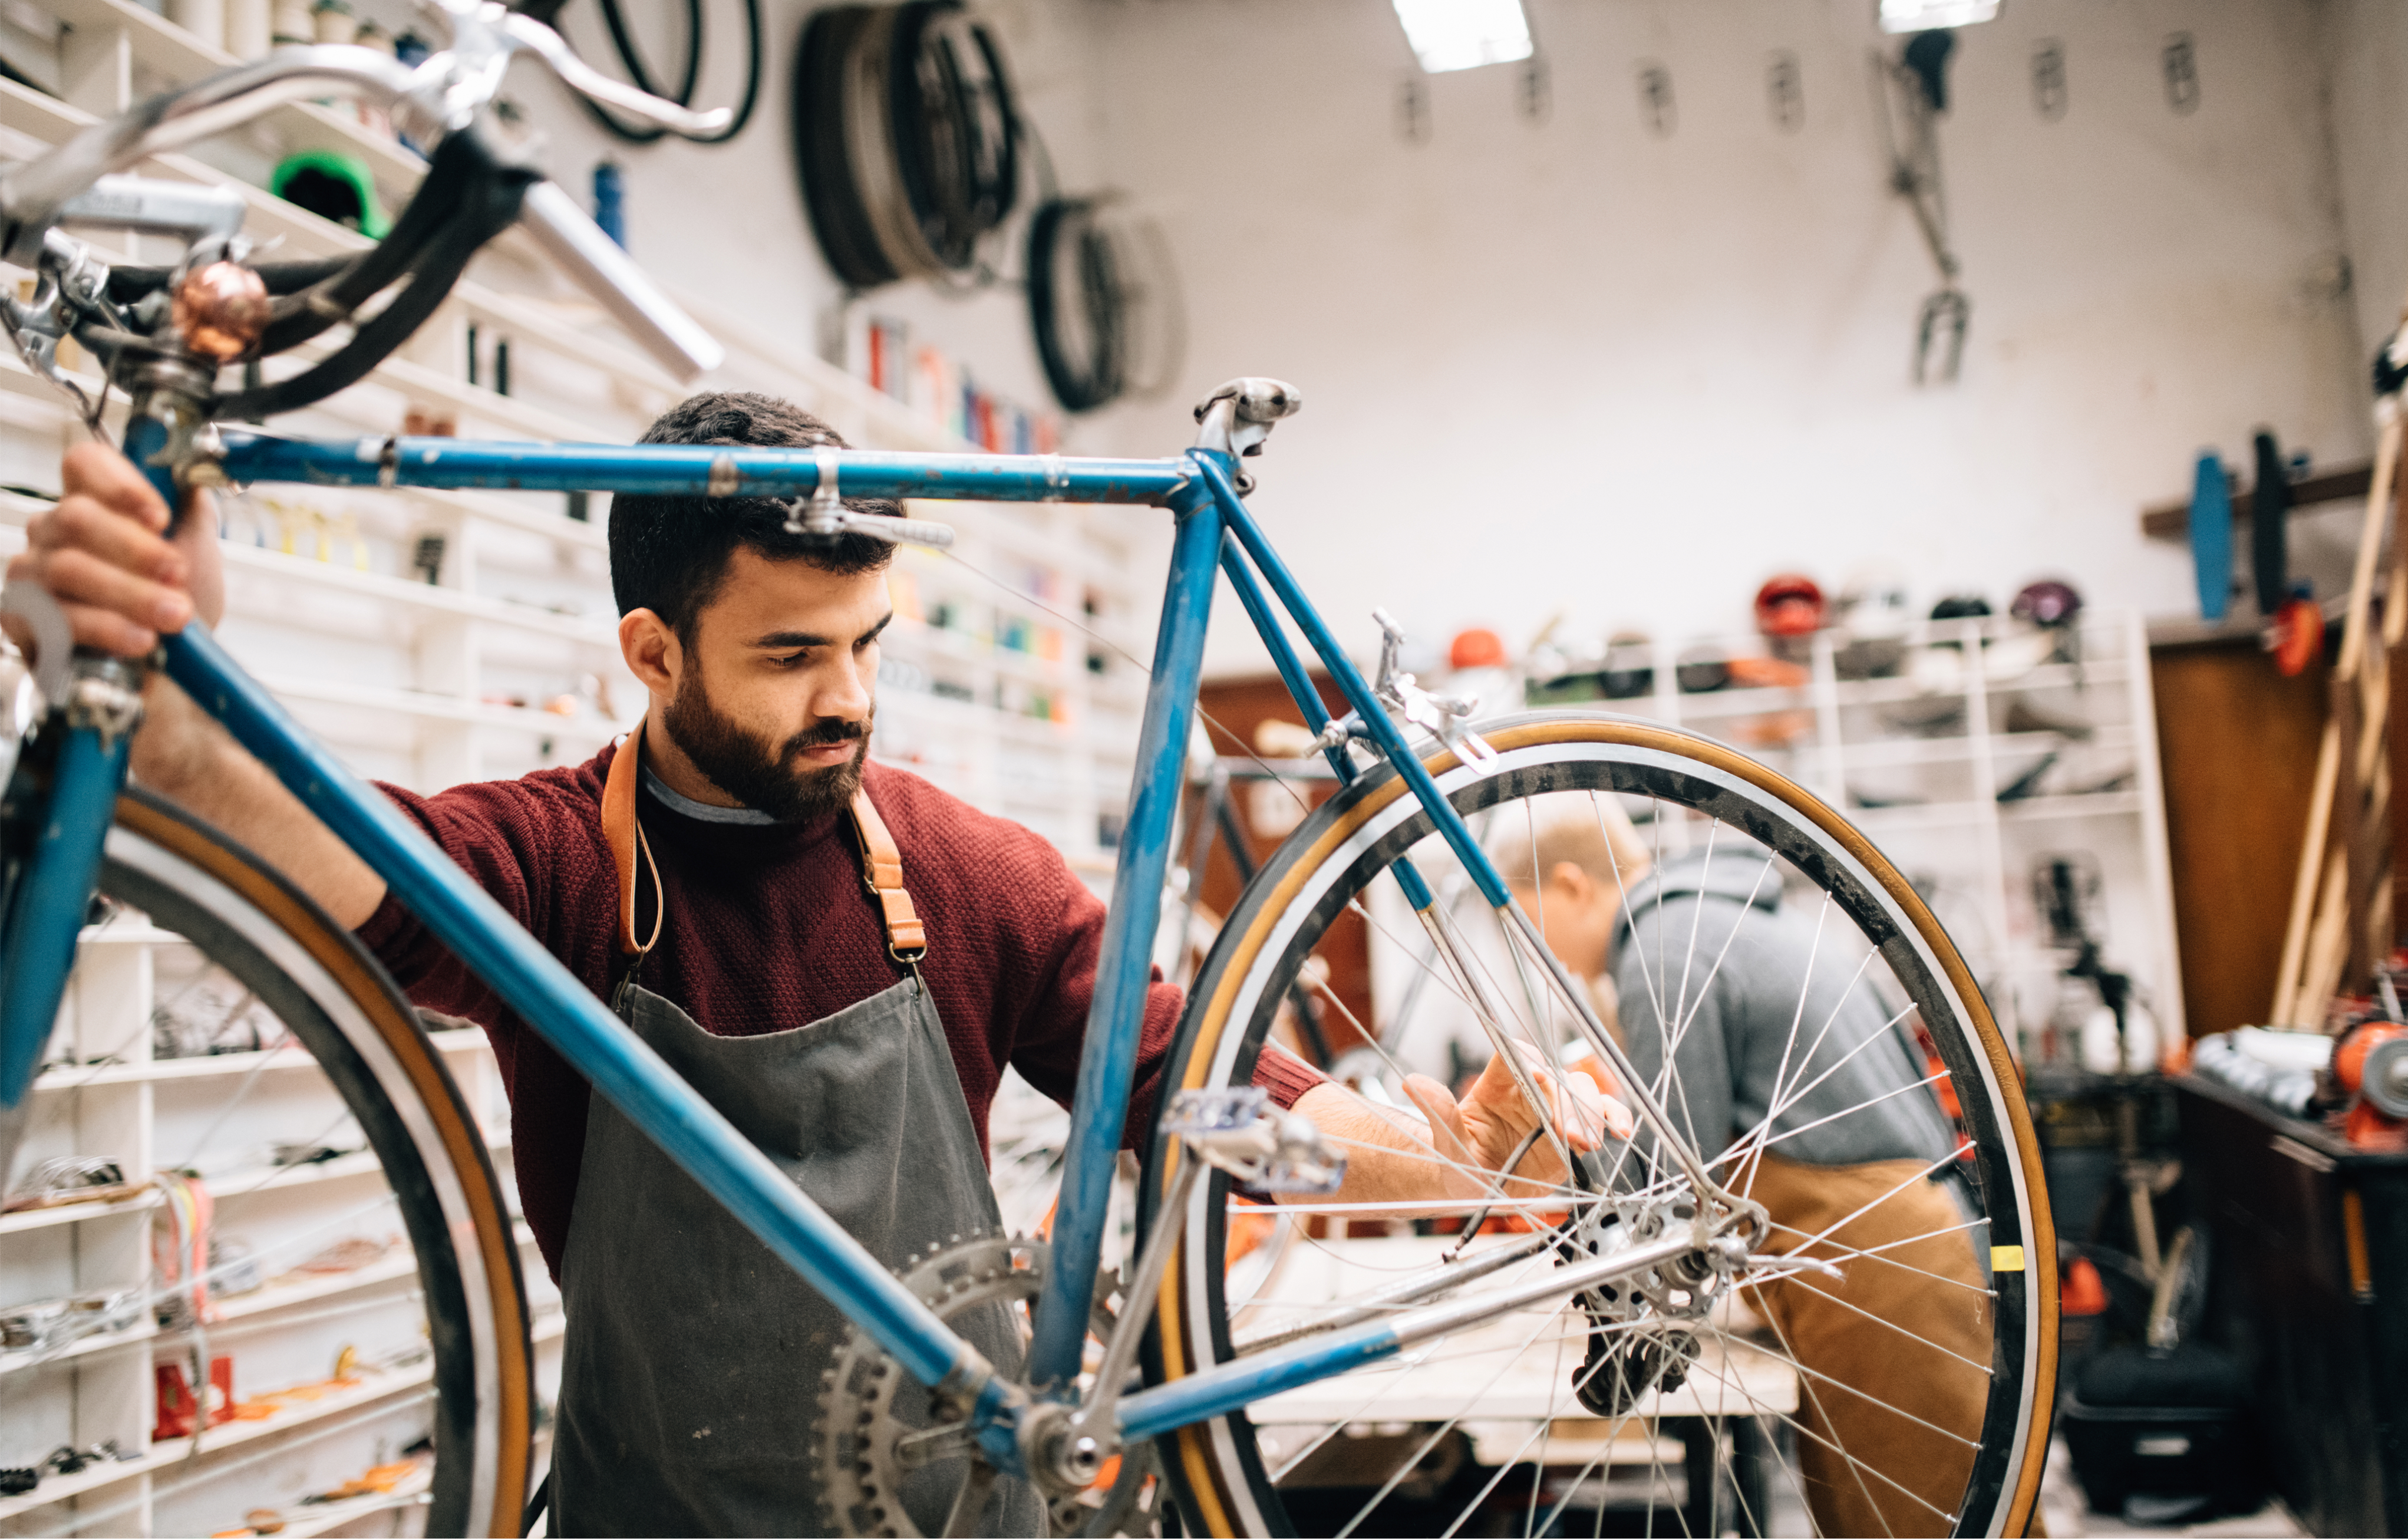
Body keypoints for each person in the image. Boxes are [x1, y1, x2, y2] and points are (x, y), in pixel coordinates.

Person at [16, 391, 1603, 1537]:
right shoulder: (564, 866)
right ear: (652, 651)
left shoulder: (964, 869)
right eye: (790, 654)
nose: (847, 698)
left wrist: (1460, 1153)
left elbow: (1193, 1081)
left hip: (954, 1509)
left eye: (869, 646)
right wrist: (171, 707)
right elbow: (344, 858)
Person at [1503, 800, 1991, 1539]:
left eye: (1524, 918)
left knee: (1924, 1523)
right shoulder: (1717, 917)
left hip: (1876, 1261)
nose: (1547, 956)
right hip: (1897, 1244)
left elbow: (1673, 1187)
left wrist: (1552, 1146)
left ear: (1571, 885)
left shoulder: (1661, 947)